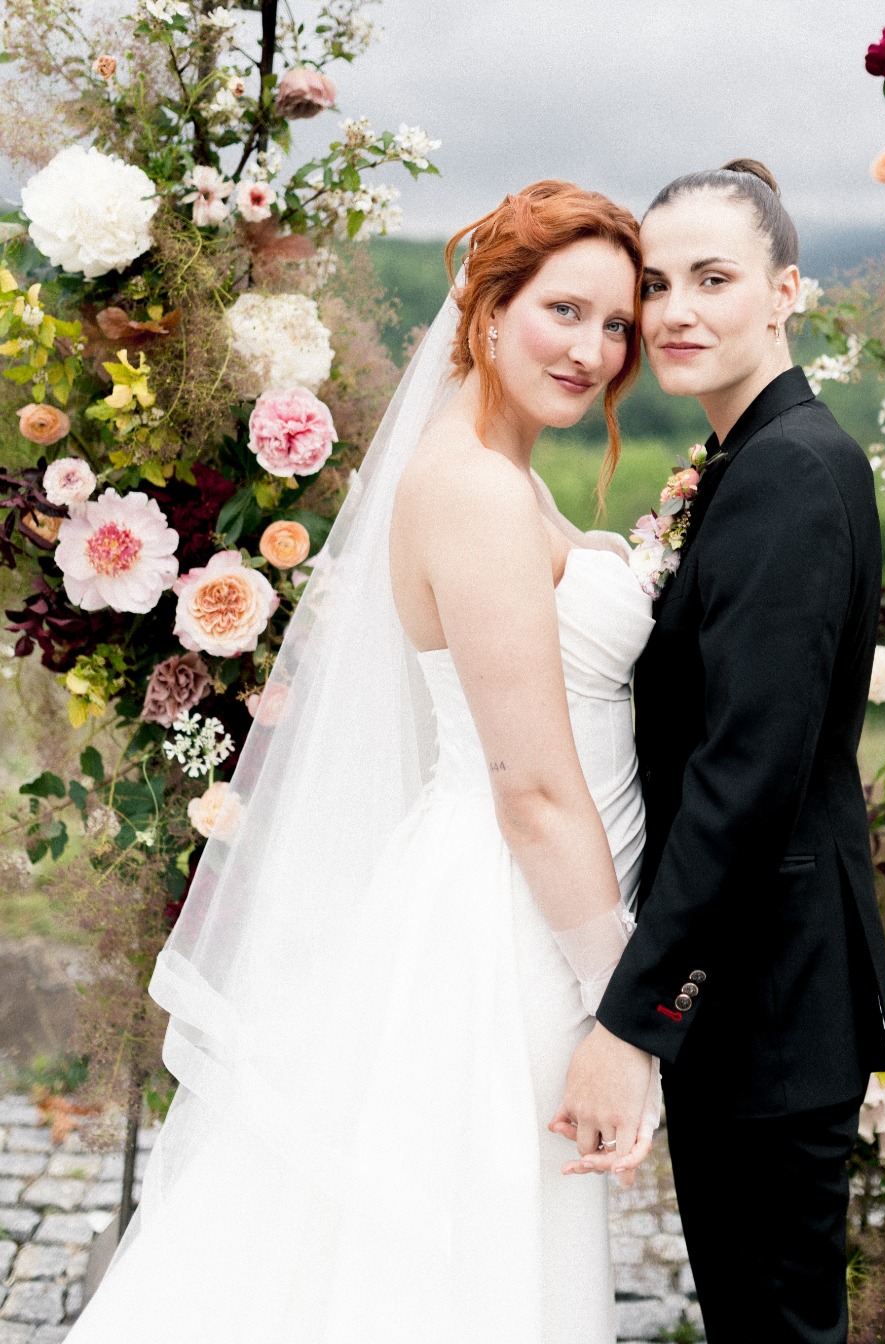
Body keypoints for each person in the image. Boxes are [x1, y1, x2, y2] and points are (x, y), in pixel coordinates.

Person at [69, 181, 660, 1344]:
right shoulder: (475, 490)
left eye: (618, 325)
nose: (593, 350)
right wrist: (627, 1013)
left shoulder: (498, 473)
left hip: (525, 908)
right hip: (512, 925)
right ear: (486, 312)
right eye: (565, 310)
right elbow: (533, 792)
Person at [557, 159, 885, 1344]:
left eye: (715, 278)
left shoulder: (790, 474)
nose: (676, 312)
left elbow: (743, 784)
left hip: (766, 1004)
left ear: (784, 291)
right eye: (657, 284)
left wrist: (632, 1021)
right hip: (765, 997)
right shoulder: (756, 459)